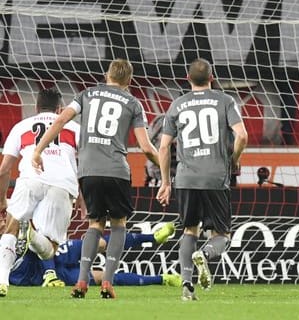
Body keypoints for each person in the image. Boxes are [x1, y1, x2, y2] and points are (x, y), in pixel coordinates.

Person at [32, 59, 160, 299]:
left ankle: (82, 281)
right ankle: (107, 283)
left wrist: (38, 150)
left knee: (94, 225)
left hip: (88, 171)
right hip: (116, 171)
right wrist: (164, 171)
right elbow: (145, 146)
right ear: (129, 81)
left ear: (106, 75)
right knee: (119, 224)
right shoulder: (134, 103)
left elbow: (60, 120)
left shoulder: (86, 95)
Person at [156, 58, 248, 301]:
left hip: (185, 178)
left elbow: (164, 147)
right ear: (212, 78)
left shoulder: (177, 104)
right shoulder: (226, 101)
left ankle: (187, 286)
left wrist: (166, 182)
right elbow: (242, 135)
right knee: (221, 235)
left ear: (188, 79)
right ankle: (205, 255)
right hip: (215, 177)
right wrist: (234, 159)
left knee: (189, 230)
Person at [0, 88, 83, 298]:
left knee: (10, 228)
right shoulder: (74, 127)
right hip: (62, 184)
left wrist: (2, 200)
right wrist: (84, 199)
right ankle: (33, 234)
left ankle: (2, 281)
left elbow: (4, 169)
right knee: (50, 250)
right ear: (60, 109)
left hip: (30, 178)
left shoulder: (21, 127)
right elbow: (86, 165)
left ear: (36, 108)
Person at [9, 222, 179, 288]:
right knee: (103, 277)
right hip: (52, 277)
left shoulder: (11, 234)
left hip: (56, 256)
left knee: (100, 244)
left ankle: (154, 237)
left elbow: (37, 242)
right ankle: (163, 279)